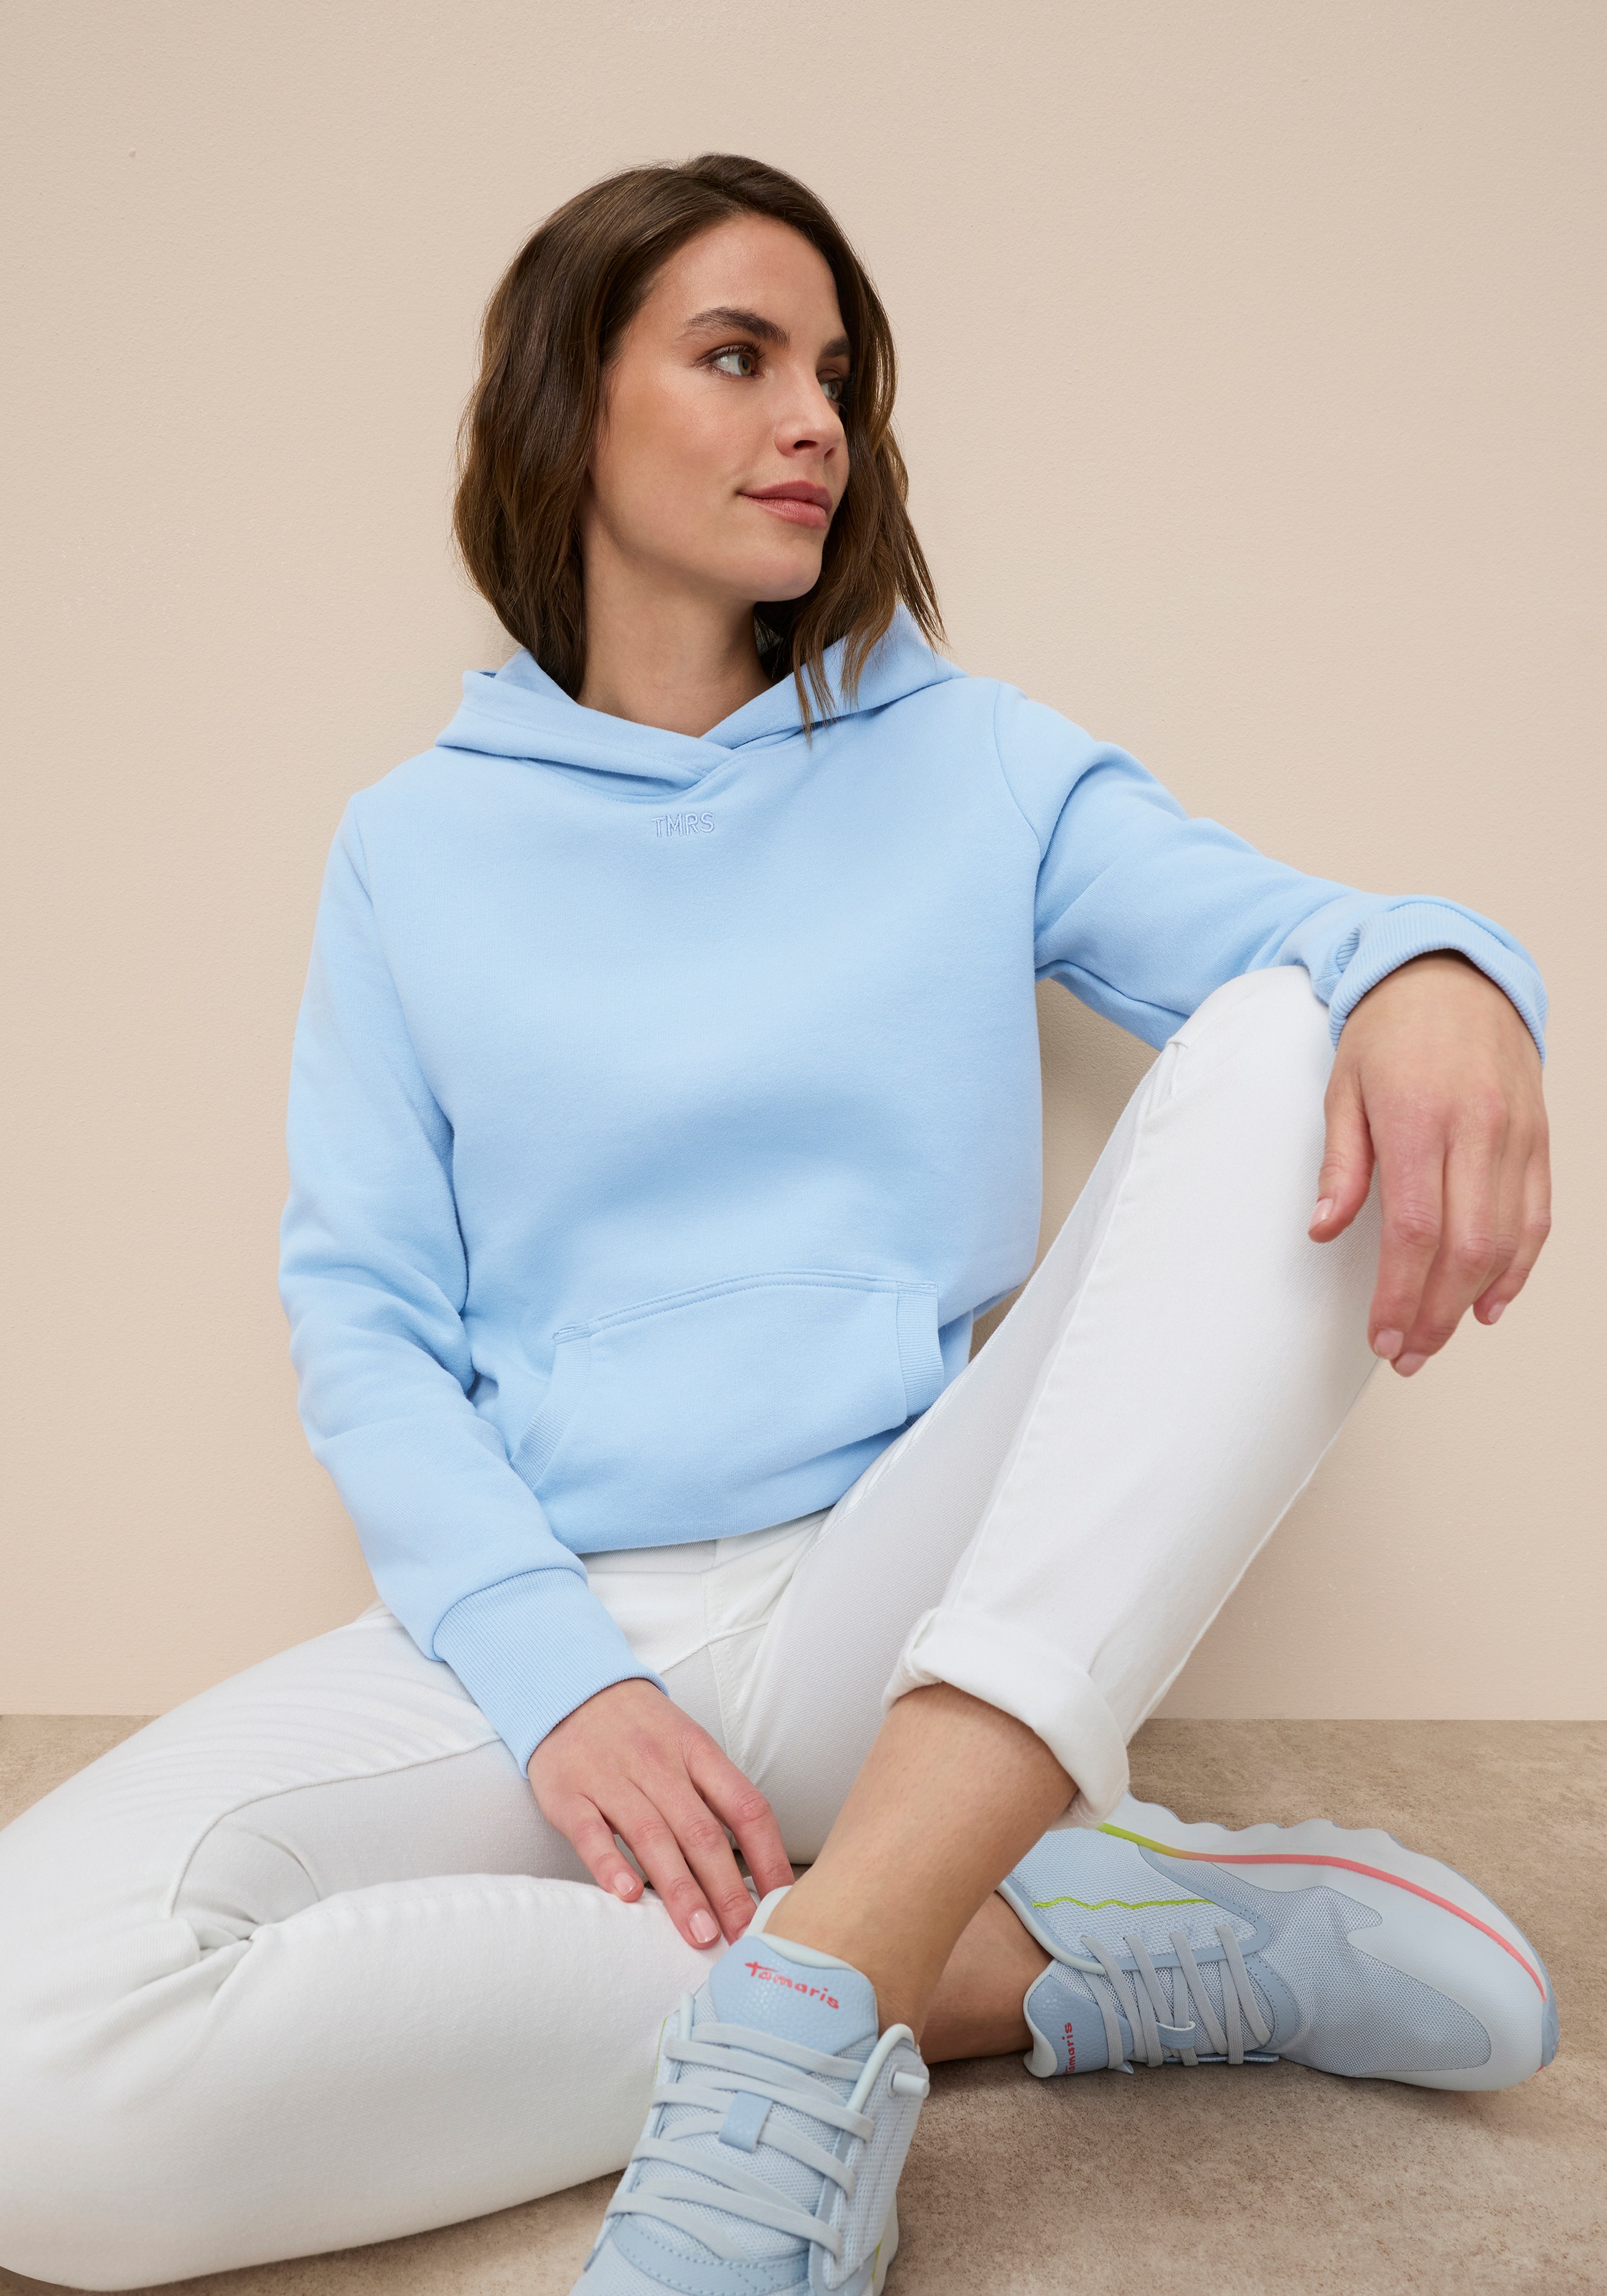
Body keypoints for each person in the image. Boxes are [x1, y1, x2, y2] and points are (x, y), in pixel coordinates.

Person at [0, 154, 1557, 2295]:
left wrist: (1448, 968)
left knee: (1311, 1030)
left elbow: (1307, 940)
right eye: (738, 357)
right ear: (570, 405)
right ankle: (1004, 1957)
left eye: (837, 374)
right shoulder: (413, 846)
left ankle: (833, 1988)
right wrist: (555, 1678)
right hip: (568, 1621)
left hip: (906, 1606)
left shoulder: (971, 760)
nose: (815, 417)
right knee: (28, 2070)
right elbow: (363, 1319)